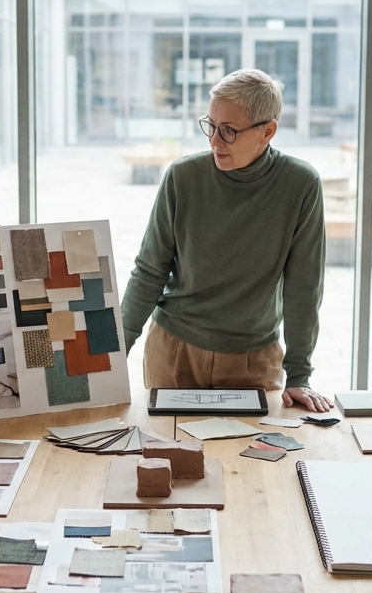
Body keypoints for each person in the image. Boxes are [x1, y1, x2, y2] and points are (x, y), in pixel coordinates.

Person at [120, 68, 331, 412]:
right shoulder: (182, 177)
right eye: (211, 125)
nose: (215, 141)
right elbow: (149, 270)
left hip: (253, 360)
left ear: (268, 131)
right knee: (165, 445)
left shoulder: (300, 184)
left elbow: (304, 286)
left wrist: (299, 376)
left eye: (229, 130)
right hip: (173, 351)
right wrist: (114, 355)